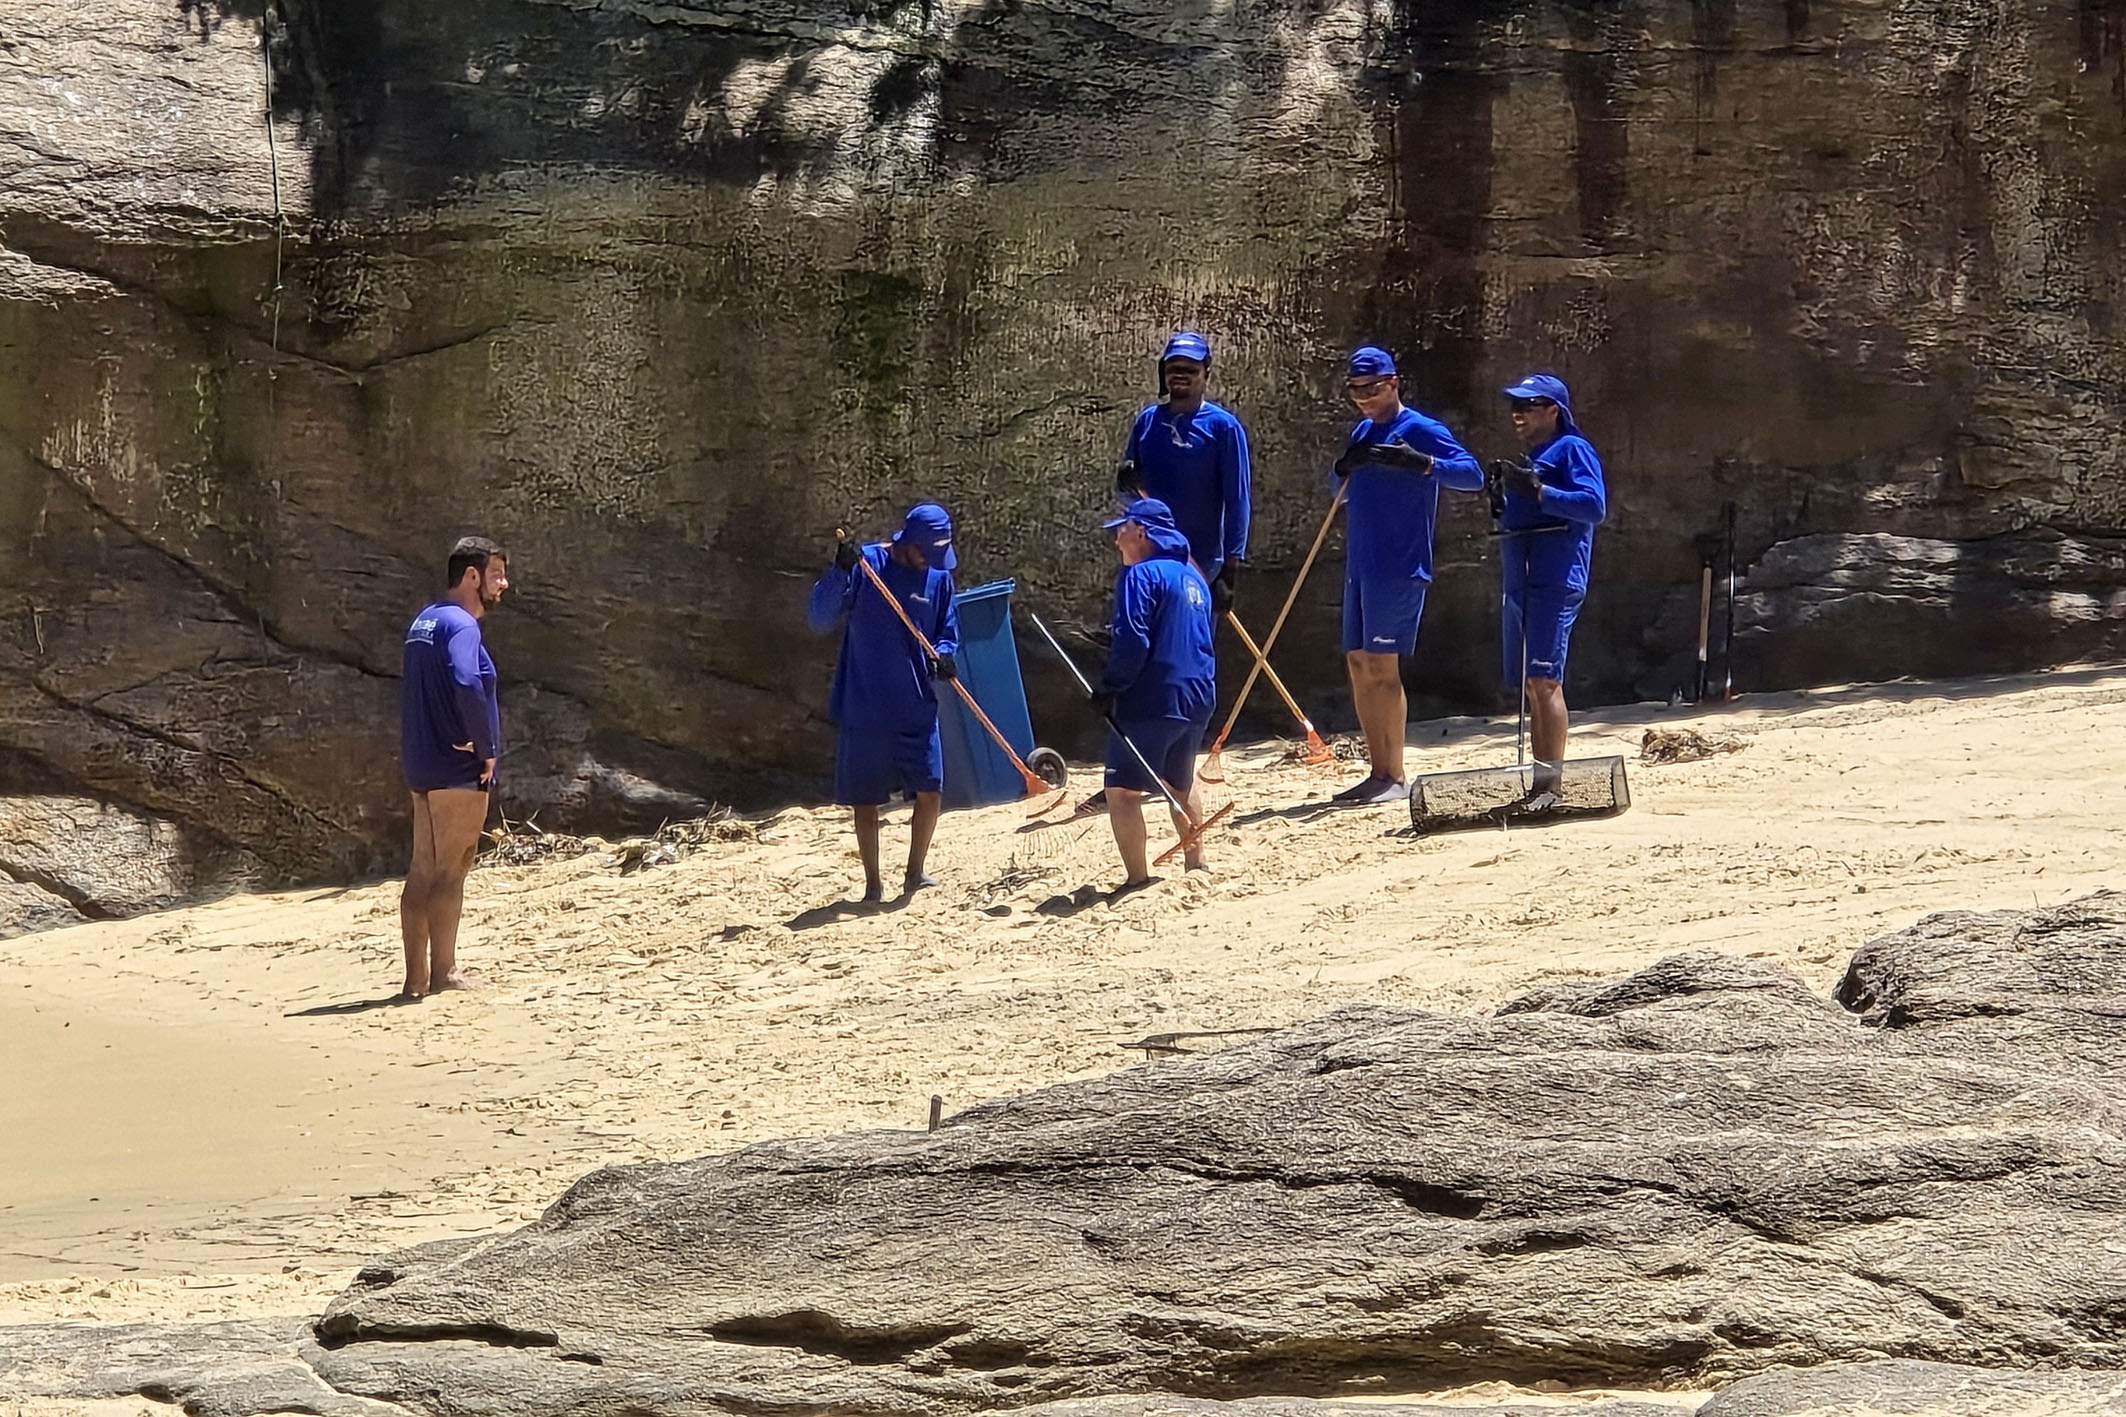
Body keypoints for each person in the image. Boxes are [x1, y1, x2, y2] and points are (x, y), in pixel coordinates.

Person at [1328, 346, 1484, 805]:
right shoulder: (1362, 430)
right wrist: (1341, 470)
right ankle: (1376, 771)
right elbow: (1342, 490)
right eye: (1356, 390)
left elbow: (1472, 475)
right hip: (1361, 563)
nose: (1364, 398)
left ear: (1393, 383)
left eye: (1372, 389)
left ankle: (1395, 773)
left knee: (1382, 665)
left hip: (1399, 564)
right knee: (1357, 663)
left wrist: (1423, 463)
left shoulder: (1420, 428)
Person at [807, 502, 961, 902]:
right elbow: (820, 618)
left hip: (916, 705)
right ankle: (873, 884)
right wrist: (840, 570)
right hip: (865, 705)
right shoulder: (867, 566)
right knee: (865, 799)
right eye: (927, 552)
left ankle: (915, 873)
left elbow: (948, 630)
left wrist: (944, 655)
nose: (931, 562)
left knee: (931, 790)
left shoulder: (940, 580)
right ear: (907, 542)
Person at [398, 535, 509, 999]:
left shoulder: (424, 622)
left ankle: (414, 979)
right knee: (452, 870)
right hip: (457, 768)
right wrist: (485, 748)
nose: (504, 583)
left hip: (422, 764)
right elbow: (466, 679)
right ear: (471, 576)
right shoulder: (463, 626)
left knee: (422, 869)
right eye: (498, 572)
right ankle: (443, 974)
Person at [1089, 498, 1218, 889]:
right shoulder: (1193, 576)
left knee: (1122, 791)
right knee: (1180, 782)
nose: (1116, 540)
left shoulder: (1140, 576)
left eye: (1121, 530)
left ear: (1141, 533)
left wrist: (1110, 686)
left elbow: (1134, 638)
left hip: (1153, 696)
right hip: (1199, 692)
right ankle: (1197, 863)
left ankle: (1137, 879)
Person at [1496, 372, 1608, 809]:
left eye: (1528, 405)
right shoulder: (1535, 454)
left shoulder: (1573, 449)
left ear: (1552, 411)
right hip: (1524, 579)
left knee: (1546, 680)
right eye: (1513, 407)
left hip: (1556, 577)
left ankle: (1551, 786)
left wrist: (1540, 491)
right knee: (1532, 682)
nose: (1517, 414)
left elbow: (1593, 505)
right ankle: (1539, 785)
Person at [1117, 332, 1252, 614]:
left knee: (1187, 645)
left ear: (1206, 374)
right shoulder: (1148, 421)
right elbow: (1127, 494)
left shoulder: (1223, 428)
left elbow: (1237, 500)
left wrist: (1230, 569)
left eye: (1190, 370)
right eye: (1173, 369)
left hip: (1198, 560)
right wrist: (1126, 483)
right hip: (1148, 555)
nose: (1181, 376)